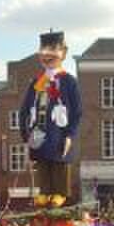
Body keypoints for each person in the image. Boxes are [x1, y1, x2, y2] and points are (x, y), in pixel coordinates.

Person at [19, 30, 82, 209]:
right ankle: (45, 191)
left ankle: (60, 193)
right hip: (38, 130)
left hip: (58, 130)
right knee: (42, 161)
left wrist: (70, 134)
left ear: (63, 52)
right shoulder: (36, 83)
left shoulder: (69, 82)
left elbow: (77, 111)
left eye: (52, 49)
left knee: (58, 160)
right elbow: (25, 109)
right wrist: (25, 134)